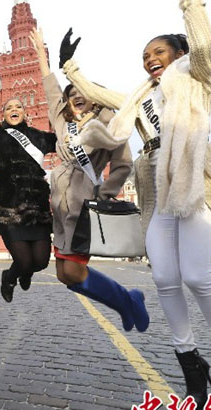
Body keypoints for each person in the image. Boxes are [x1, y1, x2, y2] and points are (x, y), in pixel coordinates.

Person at [61, 0, 211, 407]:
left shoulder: (196, 78)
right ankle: (191, 366)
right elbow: (96, 94)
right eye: (145, 56)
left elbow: (206, 48)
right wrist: (70, 69)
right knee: (167, 281)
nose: (151, 60)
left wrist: (191, 1)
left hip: (192, 184)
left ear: (177, 55)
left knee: (196, 274)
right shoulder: (139, 95)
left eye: (159, 52)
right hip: (154, 187)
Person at [29, 27, 148, 334]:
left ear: (95, 99)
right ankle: (126, 302)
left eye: (82, 94)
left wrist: (104, 193)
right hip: (58, 207)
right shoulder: (62, 123)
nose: (75, 98)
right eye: (71, 96)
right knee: (62, 274)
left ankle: (127, 300)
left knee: (73, 269)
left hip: (83, 208)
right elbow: (50, 88)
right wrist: (43, 58)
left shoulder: (109, 125)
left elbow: (123, 165)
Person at [0, 68, 57, 305]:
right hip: (8, 208)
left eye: (18, 107)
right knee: (24, 260)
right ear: (3, 114)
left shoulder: (39, 137)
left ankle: (22, 273)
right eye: (9, 108)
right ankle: (11, 276)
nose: (14, 110)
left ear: (26, 112)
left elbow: (64, 140)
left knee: (41, 262)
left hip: (37, 210)